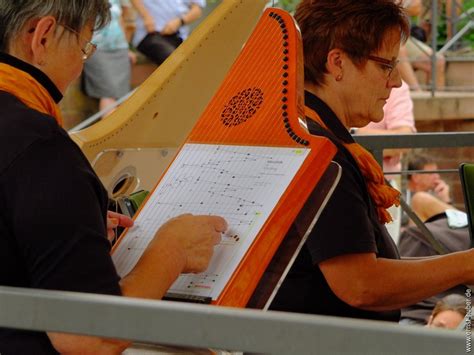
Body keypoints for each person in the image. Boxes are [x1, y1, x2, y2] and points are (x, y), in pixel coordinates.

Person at [0, 1, 227, 353]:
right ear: (41, 36)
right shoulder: (40, 146)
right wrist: (173, 250)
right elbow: (91, 337)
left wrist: (72, 226)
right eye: (84, 47)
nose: (79, 65)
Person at [270, 0, 474, 323]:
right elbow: (360, 284)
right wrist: (465, 265)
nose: (395, 82)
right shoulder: (323, 155)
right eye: (385, 66)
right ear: (337, 63)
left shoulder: (301, 134)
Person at [82, 0, 137, 116]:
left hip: (120, 48)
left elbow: (120, 19)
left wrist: (127, 47)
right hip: (96, 49)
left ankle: (124, 132)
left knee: (123, 96)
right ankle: (112, 132)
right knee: (108, 94)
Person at [130, 0, 205, 65]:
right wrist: (146, 17)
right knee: (175, 62)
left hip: (180, 35)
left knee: (198, 61)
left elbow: (197, 10)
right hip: (150, 33)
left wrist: (179, 22)